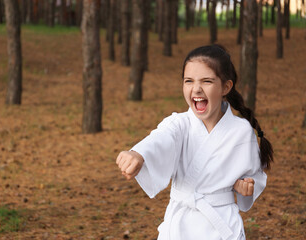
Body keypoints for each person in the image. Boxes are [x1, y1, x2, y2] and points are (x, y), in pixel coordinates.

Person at [116, 45, 273, 240]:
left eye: (207, 81)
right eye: (188, 81)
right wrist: (139, 154)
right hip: (180, 226)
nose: (196, 89)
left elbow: (252, 179)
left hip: (221, 224)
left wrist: (246, 187)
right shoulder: (179, 124)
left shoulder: (241, 132)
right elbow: (160, 139)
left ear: (226, 87)